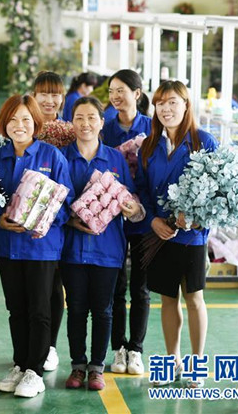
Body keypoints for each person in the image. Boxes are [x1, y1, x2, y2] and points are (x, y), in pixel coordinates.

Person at [0, 94, 74, 398]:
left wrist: (45, 221)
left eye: (26, 119)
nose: (19, 125)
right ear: (4, 123)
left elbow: (66, 203)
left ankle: (34, 372)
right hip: (8, 245)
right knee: (16, 308)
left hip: (41, 246)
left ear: (36, 123)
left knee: (39, 308)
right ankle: (20, 363)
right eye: (13, 119)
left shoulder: (52, 157)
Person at [136, 81, 218, 389]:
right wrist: (153, 221)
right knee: (168, 299)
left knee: (194, 299)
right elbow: (142, 190)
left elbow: (218, 190)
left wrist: (195, 220)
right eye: (160, 103)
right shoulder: (148, 146)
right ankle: (172, 361)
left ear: (186, 105)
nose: (166, 109)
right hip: (162, 235)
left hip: (192, 237)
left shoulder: (203, 142)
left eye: (172, 102)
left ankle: (197, 364)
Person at [60, 97, 144, 391]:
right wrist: (71, 220)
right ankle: (77, 365)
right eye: (79, 118)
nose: (85, 124)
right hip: (71, 249)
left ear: (101, 123)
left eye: (91, 118)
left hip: (108, 249)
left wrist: (132, 207)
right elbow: (55, 203)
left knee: (103, 309)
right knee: (76, 308)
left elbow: (130, 196)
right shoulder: (62, 157)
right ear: (72, 122)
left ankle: (97, 367)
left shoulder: (115, 158)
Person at [103, 69, 152, 376]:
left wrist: (140, 205)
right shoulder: (105, 129)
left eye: (121, 90)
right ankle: (118, 348)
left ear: (137, 93)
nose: (115, 96)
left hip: (144, 218)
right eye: (111, 91)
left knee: (141, 288)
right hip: (114, 219)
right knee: (116, 286)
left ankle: (136, 349)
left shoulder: (152, 127)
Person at [30, 71, 69, 371]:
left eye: (55, 94)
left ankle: (50, 346)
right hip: (29, 224)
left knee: (55, 285)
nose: (49, 99)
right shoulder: (24, 126)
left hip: (63, 219)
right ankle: (30, 348)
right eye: (43, 93)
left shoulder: (69, 132)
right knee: (32, 287)